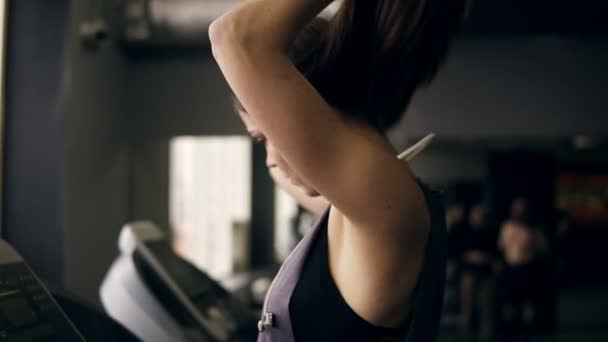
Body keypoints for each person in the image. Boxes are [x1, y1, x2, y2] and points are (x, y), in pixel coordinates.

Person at [209, 0, 468, 340]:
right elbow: (291, 178)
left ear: (308, 108)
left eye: (264, 136)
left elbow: (235, 35)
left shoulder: (383, 200)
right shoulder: (360, 212)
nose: (270, 158)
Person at [497, 197, 548, 340]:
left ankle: (526, 329)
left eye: (522, 208)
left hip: (527, 268)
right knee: (509, 302)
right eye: (517, 207)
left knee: (528, 301)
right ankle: (509, 329)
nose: (519, 211)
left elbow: (543, 249)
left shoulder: (533, 229)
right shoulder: (506, 226)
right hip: (511, 268)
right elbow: (501, 247)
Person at [457, 204, 498, 339]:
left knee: (487, 306)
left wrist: (487, 258)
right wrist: (470, 256)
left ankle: (486, 335)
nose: (479, 217)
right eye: (476, 214)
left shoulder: (490, 233)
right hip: (469, 273)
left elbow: (496, 252)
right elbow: (457, 251)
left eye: (481, 214)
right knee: (467, 306)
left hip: (486, 273)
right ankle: (465, 334)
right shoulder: (464, 232)